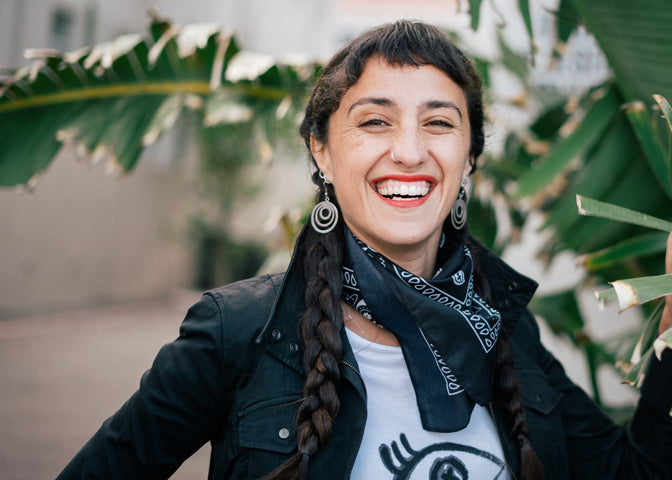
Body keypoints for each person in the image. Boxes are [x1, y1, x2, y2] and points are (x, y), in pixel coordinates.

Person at [56, 20, 672, 480]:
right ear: (321, 150)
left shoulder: (510, 333)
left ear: (469, 158)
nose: (409, 151)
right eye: (375, 121)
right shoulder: (238, 332)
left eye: (439, 123)